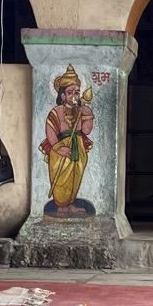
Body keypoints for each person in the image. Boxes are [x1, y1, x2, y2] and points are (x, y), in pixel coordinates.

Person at [40, 65, 94, 214]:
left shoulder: (81, 110)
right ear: (62, 95)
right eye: (70, 92)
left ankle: (69, 204)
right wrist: (58, 148)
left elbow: (86, 130)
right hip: (60, 149)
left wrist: (87, 114)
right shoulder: (56, 112)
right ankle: (61, 205)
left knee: (75, 176)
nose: (74, 96)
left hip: (78, 148)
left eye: (77, 92)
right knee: (61, 178)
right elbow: (50, 132)